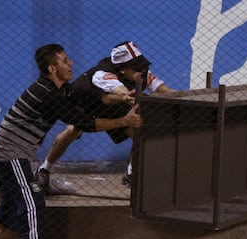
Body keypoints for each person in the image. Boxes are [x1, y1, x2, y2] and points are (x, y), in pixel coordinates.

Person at [0, 44, 143, 239]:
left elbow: (93, 100)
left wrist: (123, 98)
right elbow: (84, 122)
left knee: (10, 205)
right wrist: (123, 120)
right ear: (53, 69)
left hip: (12, 155)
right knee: (32, 203)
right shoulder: (48, 94)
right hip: (9, 156)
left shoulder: (59, 89)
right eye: (64, 60)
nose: (70, 63)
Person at [37, 41, 175, 188]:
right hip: (86, 101)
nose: (142, 70)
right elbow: (120, 91)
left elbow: (165, 91)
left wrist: (188, 98)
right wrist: (131, 96)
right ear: (122, 70)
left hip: (112, 105)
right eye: (136, 67)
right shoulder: (102, 74)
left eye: (143, 65)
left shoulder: (142, 73)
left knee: (141, 133)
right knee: (72, 131)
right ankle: (44, 169)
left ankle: (131, 174)